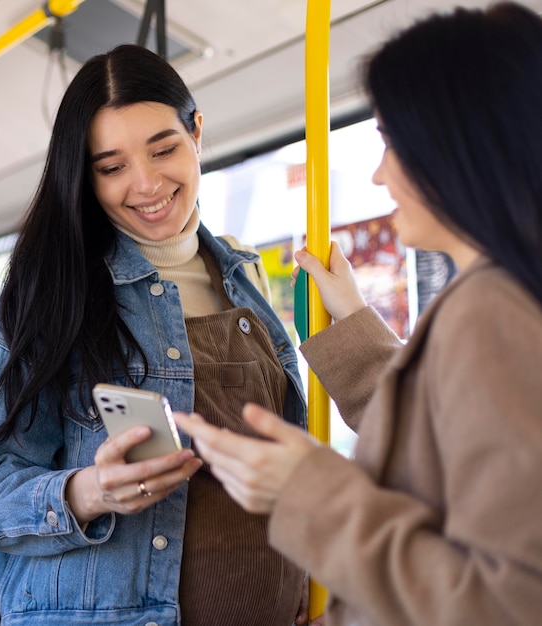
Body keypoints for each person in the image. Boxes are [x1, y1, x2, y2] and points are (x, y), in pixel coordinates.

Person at [175, 3, 542, 625]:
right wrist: (350, 321)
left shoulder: (492, 311)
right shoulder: (499, 298)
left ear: (453, 148)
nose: (379, 174)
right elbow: (439, 449)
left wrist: (306, 491)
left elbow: (506, 600)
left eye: (393, 145)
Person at [0, 44, 309, 625]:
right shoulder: (47, 298)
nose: (145, 184)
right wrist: (91, 492)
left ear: (196, 132)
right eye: (112, 167)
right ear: (85, 177)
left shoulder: (245, 279)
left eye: (163, 149)